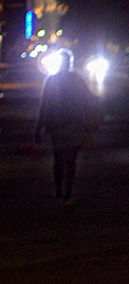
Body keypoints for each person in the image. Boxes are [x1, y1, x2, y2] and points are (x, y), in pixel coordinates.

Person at [35, 50, 100, 203]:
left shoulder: (51, 80)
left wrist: (38, 129)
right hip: (74, 124)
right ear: (70, 64)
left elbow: (44, 106)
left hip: (57, 125)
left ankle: (59, 191)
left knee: (58, 160)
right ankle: (67, 193)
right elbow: (88, 101)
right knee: (70, 162)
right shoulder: (77, 80)